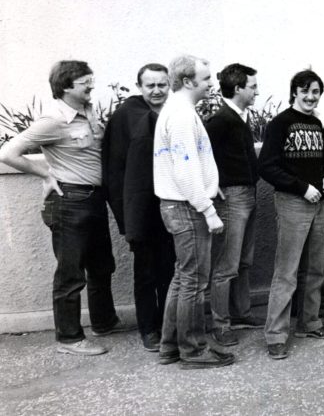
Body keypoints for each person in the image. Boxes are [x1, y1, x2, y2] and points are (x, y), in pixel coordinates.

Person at [0, 61, 126, 356]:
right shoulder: (53, 120)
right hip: (70, 202)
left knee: (101, 266)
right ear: (66, 87)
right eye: (85, 82)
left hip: (93, 199)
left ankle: (104, 322)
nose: (91, 86)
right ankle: (69, 339)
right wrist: (45, 174)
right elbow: (8, 152)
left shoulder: (88, 111)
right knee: (70, 273)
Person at [153, 54, 234, 369]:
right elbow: (185, 170)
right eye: (207, 78)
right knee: (194, 282)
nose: (212, 83)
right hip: (187, 208)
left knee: (183, 278)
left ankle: (170, 346)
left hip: (179, 205)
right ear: (188, 81)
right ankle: (193, 351)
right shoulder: (183, 114)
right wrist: (207, 208)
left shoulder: (175, 110)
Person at [259, 69, 324, 360]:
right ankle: (275, 335)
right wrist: (302, 187)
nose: (310, 96)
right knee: (287, 272)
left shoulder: (316, 123)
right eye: (305, 91)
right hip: (293, 202)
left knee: (315, 269)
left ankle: (309, 323)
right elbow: (267, 167)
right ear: (294, 92)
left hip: (319, 202)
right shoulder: (280, 123)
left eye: (316, 92)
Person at [102, 63, 175, 351]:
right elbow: (115, 169)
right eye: (150, 86)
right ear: (139, 87)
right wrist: (125, 214)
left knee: (169, 269)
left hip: (169, 206)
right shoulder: (126, 117)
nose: (156, 91)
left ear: (169, 85)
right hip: (140, 209)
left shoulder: (172, 112)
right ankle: (149, 329)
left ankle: (168, 323)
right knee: (145, 271)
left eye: (162, 85)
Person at [205, 63, 263, 348]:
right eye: (252, 86)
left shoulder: (238, 116)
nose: (257, 91)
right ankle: (220, 324)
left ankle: (241, 313)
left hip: (248, 194)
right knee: (227, 265)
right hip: (232, 197)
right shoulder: (221, 120)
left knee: (244, 261)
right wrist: (212, 185)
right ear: (238, 88)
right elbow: (204, 155)